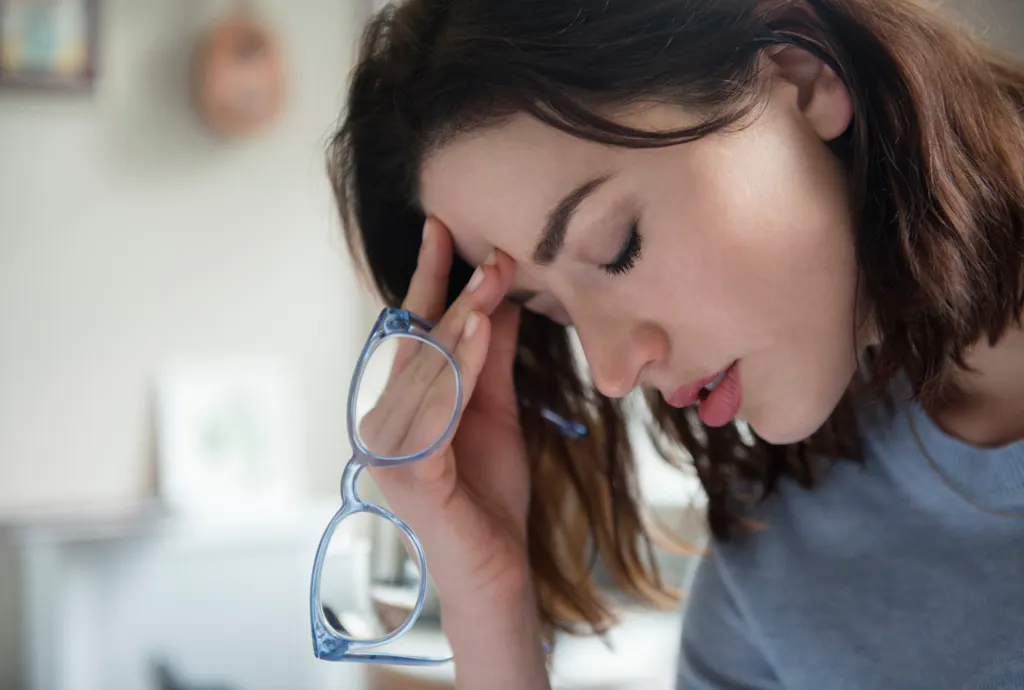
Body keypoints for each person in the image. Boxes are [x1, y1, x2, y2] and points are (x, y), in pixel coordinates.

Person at [327, 0, 1024, 687]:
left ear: (804, 72)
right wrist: (490, 600)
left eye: (617, 247)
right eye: (546, 308)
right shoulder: (779, 563)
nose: (610, 372)